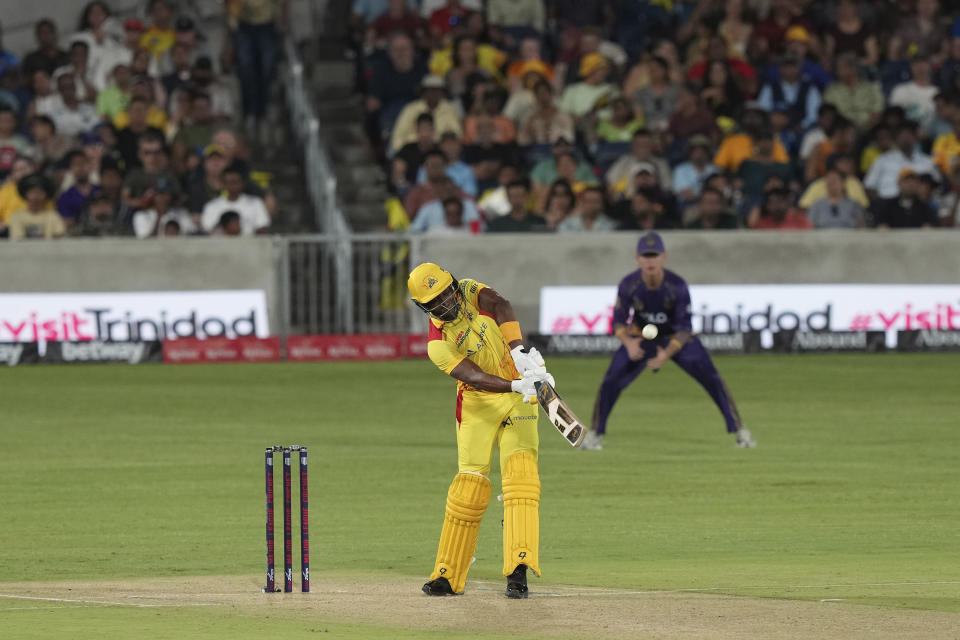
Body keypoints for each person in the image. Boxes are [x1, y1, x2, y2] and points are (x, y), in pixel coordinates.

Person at [407, 261, 554, 598]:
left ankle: (519, 570)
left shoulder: (470, 290)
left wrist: (519, 352)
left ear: (453, 285)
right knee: (468, 488)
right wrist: (517, 386)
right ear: (424, 307)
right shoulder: (436, 343)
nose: (446, 302)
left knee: (522, 480)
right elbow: (472, 376)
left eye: (447, 293)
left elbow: (500, 305)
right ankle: (447, 574)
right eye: (436, 301)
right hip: (477, 405)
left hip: (518, 400)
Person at [581, 232, 755, 451]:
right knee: (610, 381)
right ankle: (595, 433)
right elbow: (617, 321)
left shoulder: (677, 286)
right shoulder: (629, 284)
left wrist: (664, 355)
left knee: (712, 378)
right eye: (646, 255)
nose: (650, 260)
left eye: (654, 255)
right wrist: (629, 343)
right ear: (638, 258)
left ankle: (740, 430)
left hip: (675, 339)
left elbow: (684, 329)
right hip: (640, 339)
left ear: (663, 257)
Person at [8, 173, 65, 240]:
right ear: (25, 194)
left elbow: (59, 238)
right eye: (32, 192)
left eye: (40, 192)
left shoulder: (53, 216)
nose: (36, 196)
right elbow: (18, 240)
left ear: (46, 195)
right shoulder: (17, 216)